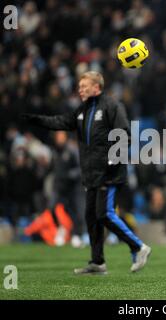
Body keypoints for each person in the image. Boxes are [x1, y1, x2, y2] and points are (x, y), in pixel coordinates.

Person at [21, 71, 151, 274]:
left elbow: (124, 134)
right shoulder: (82, 111)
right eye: (79, 86)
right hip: (91, 175)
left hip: (109, 173)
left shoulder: (112, 106)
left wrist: (111, 163)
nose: (80, 89)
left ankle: (138, 247)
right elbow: (60, 122)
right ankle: (98, 262)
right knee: (91, 217)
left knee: (105, 214)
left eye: (84, 86)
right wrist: (35, 120)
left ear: (97, 87)